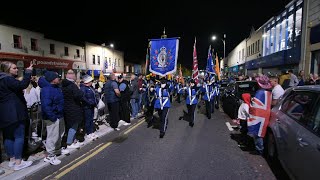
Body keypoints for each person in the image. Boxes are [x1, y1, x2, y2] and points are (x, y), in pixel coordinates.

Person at [0, 61, 33, 170]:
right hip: (15, 113)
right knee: (19, 136)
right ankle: (19, 163)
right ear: (7, 69)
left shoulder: (1, 79)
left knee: (8, 137)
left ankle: (12, 160)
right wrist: (28, 72)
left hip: (4, 114)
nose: (17, 69)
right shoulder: (8, 79)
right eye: (14, 68)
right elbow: (23, 85)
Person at [40, 71, 68, 165]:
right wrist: (52, 117)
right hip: (53, 117)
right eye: (57, 77)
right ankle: (50, 156)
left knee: (59, 134)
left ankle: (57, 150)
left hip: (59, 115)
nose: (59, 79)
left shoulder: (56, 87)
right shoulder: (47, 90)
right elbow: (46, 105)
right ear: (52, 79)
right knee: (52, 136)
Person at [248, 75, 272, 155]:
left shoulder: (260, 93)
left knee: (258, 133)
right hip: (265, 115)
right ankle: (260, 148)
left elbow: (255, 105)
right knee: (261, 133)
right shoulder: (268, 92)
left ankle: (259, 149)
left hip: (259, 115)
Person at [61, 69, 84, 150]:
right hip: (73, 108)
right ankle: (70, 142)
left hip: (66, 107)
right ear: (71, 75)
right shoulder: (72, 85)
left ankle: (73, 140)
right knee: (73, 126)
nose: (75, 76)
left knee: (69, 125)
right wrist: (79, 89)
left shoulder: (63, 84)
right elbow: (78, 95)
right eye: (74, 74)